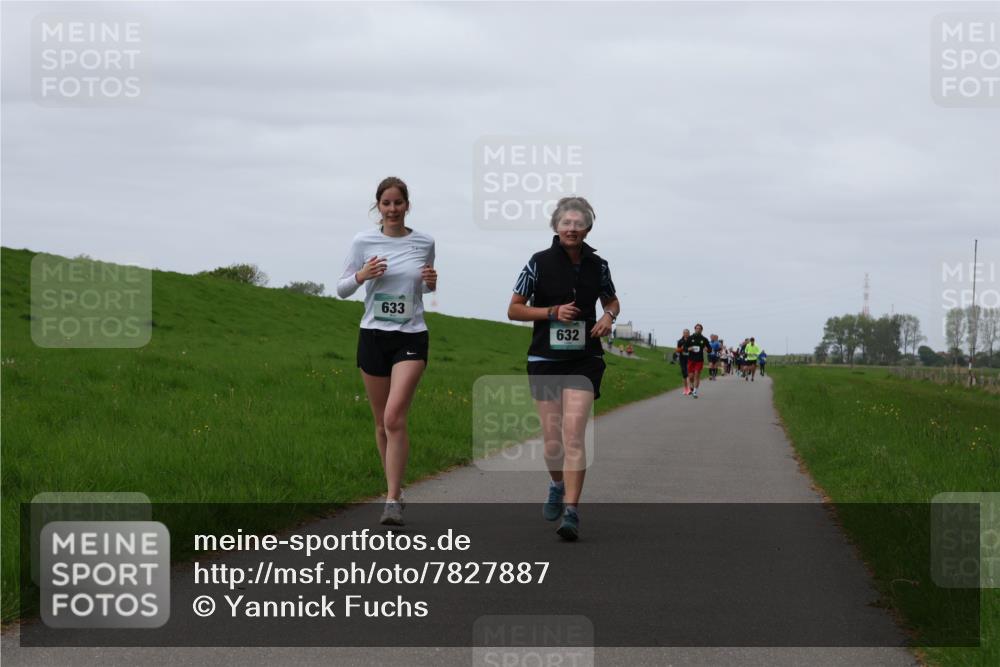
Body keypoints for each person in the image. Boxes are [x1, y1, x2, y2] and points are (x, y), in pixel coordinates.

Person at [508, 196, 619, 541]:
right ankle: (556, 485)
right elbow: (514, 309)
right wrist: (551, 312)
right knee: (553, 440)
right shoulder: (538, 263)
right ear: (556, 226)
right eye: (566, 223)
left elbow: (611, 299)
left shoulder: (598, 266)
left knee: (574, 433)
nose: (572, 229)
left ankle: (571, 511)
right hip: (545, 358)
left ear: (588, 227)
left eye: (578, 223)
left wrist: (607, 316)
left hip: (585, 358)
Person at [337, 176, 437, 526]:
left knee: (395, 417)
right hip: (373, 336)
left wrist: (431, 283)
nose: (393, 209)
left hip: (410, 336)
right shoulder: (363, 241)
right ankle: (395, 489)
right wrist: (362, 275)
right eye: (386, 203)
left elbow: (422, 287)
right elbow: (341, 289)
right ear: (378, 207)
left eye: (398, 203)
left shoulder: (424, 242)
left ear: (407, 205)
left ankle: (392, 500)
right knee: (381, 423)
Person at [683, 323, 711, 398]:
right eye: (697, 328)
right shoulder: (690, 338)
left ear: (702, 330)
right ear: (694, 329)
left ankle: (695, 391)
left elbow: (710, 350)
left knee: (697, 375)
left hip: (699, 360)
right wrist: (689, 349)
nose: (698, 330)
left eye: (699, 329)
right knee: (691, 376)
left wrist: (707, 349)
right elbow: (684, 347)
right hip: (691, 359)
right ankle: (691, 386)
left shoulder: (704, 339)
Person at [676, 328, 691, 395]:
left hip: (690, 359)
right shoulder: (680, 341)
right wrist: (681, 349)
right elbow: (677, 350)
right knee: (684, 375)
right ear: (683, 333)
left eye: (687, 333)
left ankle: (689, 389)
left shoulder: (691, 340)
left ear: (689, 334)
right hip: (682, 359)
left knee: (688, 374)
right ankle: (685, 389)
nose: (686, 334)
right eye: (685, 333)